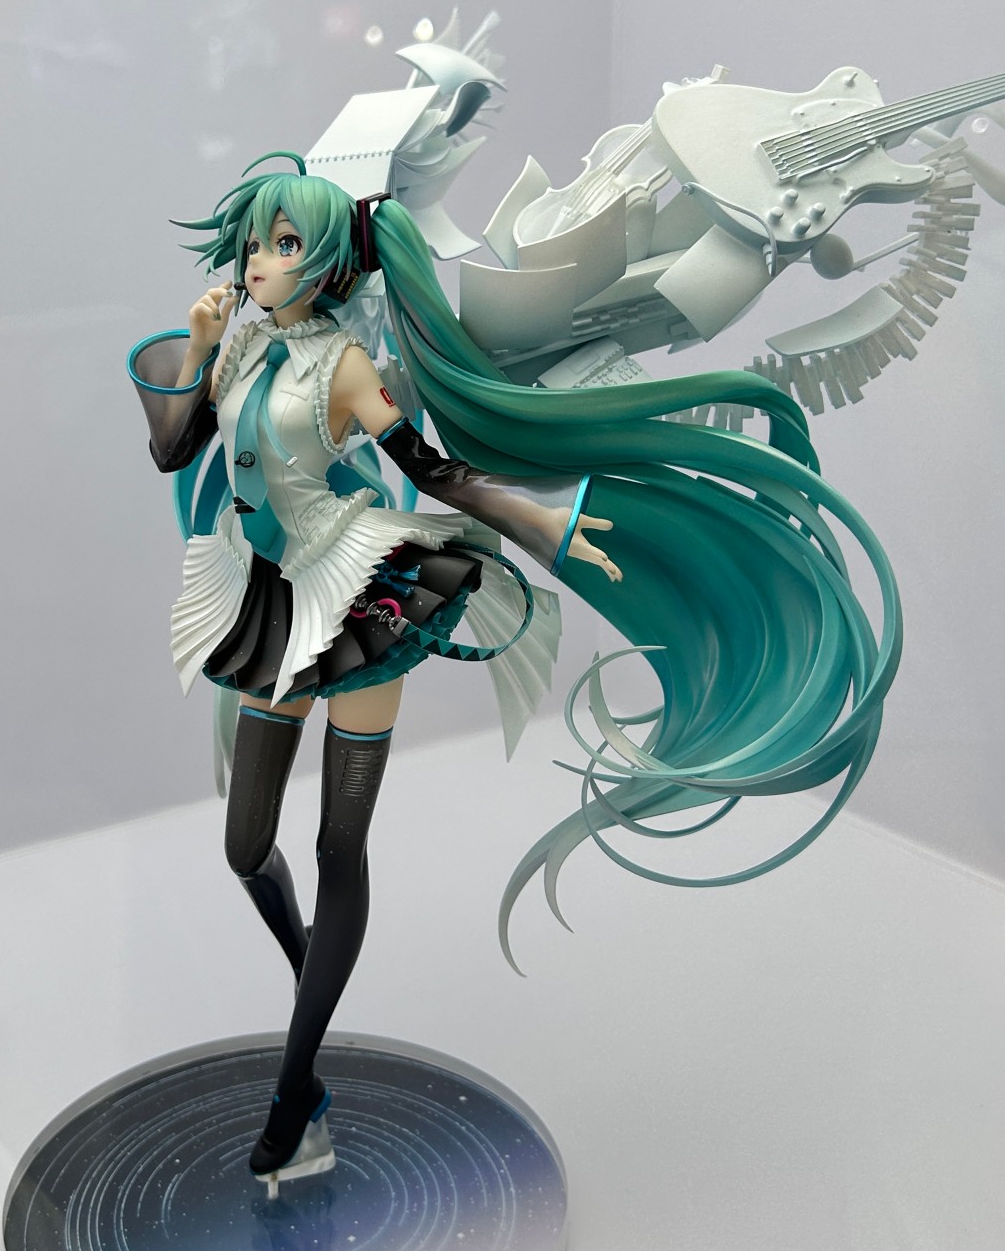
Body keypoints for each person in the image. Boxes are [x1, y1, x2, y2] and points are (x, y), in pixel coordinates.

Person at [128, 154, 900, 1196]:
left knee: (337, 844)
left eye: (285, 244)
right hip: (270, 601)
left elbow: (432, 469)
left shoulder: (346, 369)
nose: (260, 261)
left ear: (327, 264)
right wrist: (202, 346)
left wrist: (540, 519)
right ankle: (316, 999)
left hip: (359, 595)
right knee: (243, 846)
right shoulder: (240, 346)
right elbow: (173, 450)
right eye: (258, 242)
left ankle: (296, 1085)